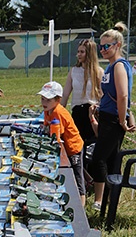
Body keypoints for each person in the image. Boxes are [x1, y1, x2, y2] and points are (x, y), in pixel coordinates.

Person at [90, 22, 134, 211]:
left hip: (114, 120)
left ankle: (105, 200)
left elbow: (123, 95)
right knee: (110, 160)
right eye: (101, 47)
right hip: (107, 116)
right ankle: (108, 204)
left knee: (97, 160)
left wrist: (123, 120)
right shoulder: (110, 67)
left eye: (107, 46)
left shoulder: (119, 66)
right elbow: (112, 93)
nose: (103, 50)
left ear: (117, 45)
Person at [38, 81, 86, 206]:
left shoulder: (58, 112)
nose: (44, 102)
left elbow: (57, 135)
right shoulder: (47, 110)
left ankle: (81, 207)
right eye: (42, 99)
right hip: (65, 148)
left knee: (77, 178)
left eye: (48, 100)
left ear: (58, 100)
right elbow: (46, 127)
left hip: (73, 148)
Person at [61, 39, 103, 145]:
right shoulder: (74, 71)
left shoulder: (99, 72)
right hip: (77, 112)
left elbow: (103, 94)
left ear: (89, 53)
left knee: (92, 144)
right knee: (77, 144)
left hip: (91, 113)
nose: (79, 55)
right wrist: (59, 112)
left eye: (82, 52)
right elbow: (65, 94)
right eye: (78, 52)